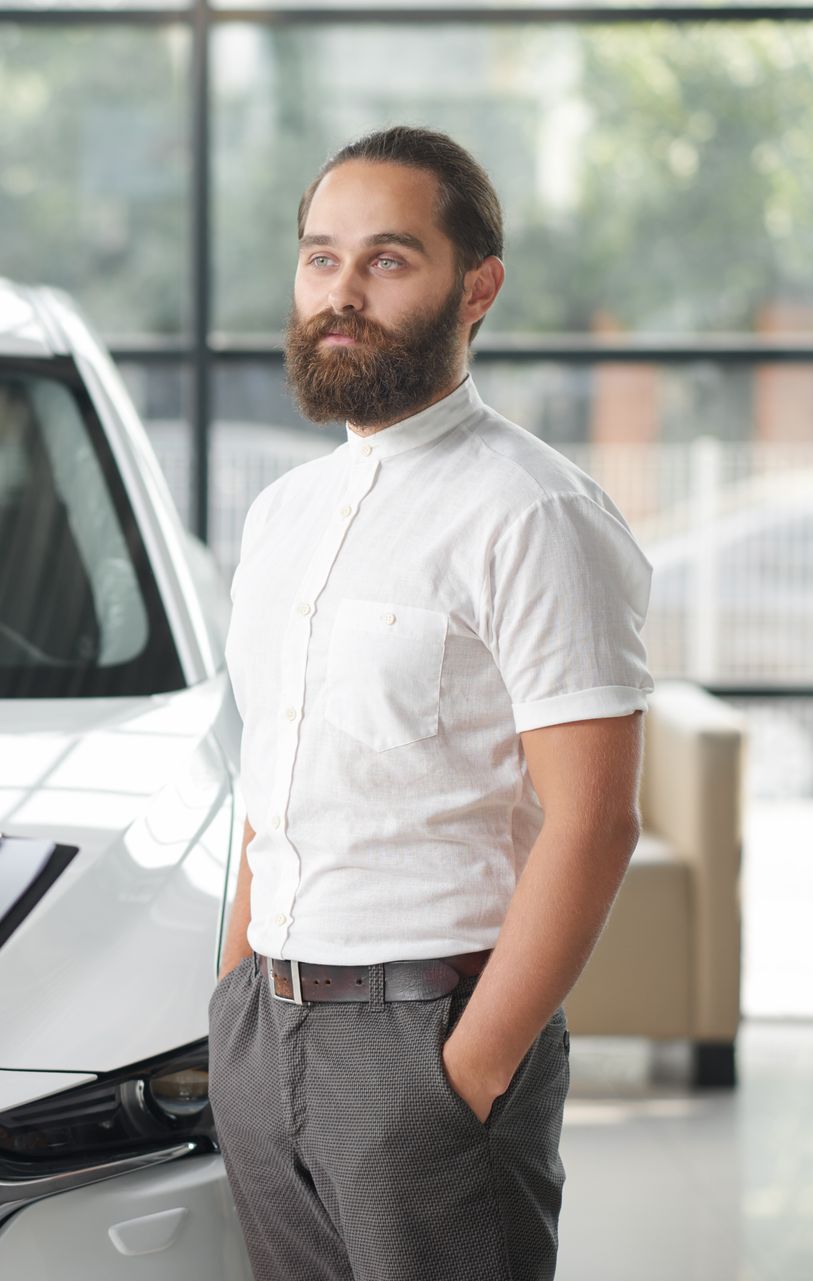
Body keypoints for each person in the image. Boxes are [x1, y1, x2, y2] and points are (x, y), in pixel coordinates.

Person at [210, 125, 653, 1281]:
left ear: (478, 287)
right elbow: (273, 788)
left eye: (388, 260)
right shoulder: (282, 516)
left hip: (429, 1039)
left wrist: (475, 1065)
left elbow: (595, 820)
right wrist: (231, 1007)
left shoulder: (534, 512)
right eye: (320, 258)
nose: (340, 293)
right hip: (267, 1030)